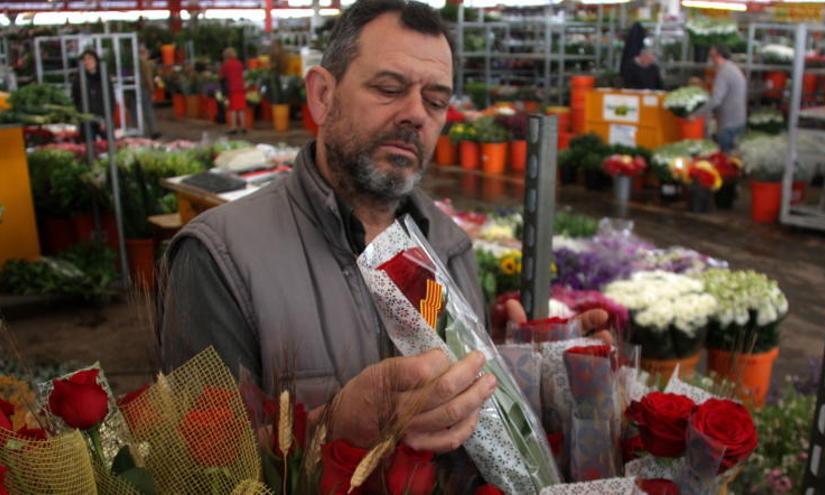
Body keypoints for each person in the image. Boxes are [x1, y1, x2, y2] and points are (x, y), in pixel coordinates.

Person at [158, 0, 610, 458]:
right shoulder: (220, 258)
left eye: (435, 101)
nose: (416, 114)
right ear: (322, 95)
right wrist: (329, 430)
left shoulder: (448, 246)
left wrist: (525, 362)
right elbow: (194, 467)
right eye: (390, 89)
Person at [697, 45, 747, 152]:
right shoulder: (733, 68)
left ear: (718, 56)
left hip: (728, 125)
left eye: (711, 56)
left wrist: (697, 113)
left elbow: (716, 99)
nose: (711, 60)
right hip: (738, 121)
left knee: (726, 158)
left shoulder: (723, 73)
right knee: (734, 158)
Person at [71, 49, 114, 141]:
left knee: (110, 143)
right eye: (85, 59)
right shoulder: (78, 79)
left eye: (90, 58)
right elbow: (76, 98)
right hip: (86, 118)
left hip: (103, 116)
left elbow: (111, 98)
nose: (87, 62)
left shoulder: (104, 77)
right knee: (89, 145)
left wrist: (106, 117)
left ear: (96, 60)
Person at [219, 47, 246, 134]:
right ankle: (243, 126)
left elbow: (221, 76)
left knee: (233, 109)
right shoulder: (239, 63)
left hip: (231, 88)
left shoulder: (226, 65)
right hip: (241, 88)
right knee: (241, 108)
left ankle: (233, 127)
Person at [138, 46, 160, 138]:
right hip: (144, 89)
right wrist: (152, 91)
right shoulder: (145, 64)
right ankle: (153, 131)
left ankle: (140, 131)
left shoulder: (137, 63)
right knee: (148, 109)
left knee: (138, 111)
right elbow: (149, 78)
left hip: (137, 89)